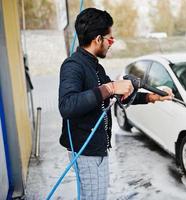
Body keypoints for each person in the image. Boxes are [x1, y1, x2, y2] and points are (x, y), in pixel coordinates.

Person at [58, 8, 173, 200]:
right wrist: (110, 87)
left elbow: (116, 97)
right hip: (87, 151)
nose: (111, 44)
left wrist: (152, 97)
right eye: (110, 39)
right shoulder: (73, 66)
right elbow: (67, 105)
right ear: (97, 39)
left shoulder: (95, 66)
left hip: (97, 148)